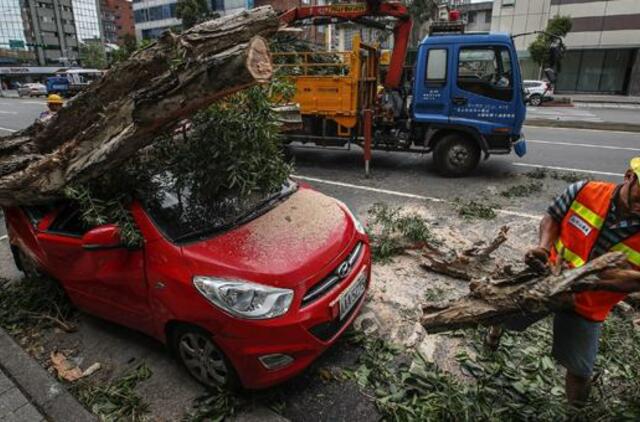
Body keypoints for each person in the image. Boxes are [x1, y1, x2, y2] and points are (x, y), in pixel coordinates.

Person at [486, 157, 640, 406]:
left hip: (588, 304)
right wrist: (544, 248)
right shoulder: (585, 191)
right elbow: (552, 217)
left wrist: (626, 280)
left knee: (580, 371)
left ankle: (576, 411)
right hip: (550, 279)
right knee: (505, 312)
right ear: (629, 177)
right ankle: (495, 332)